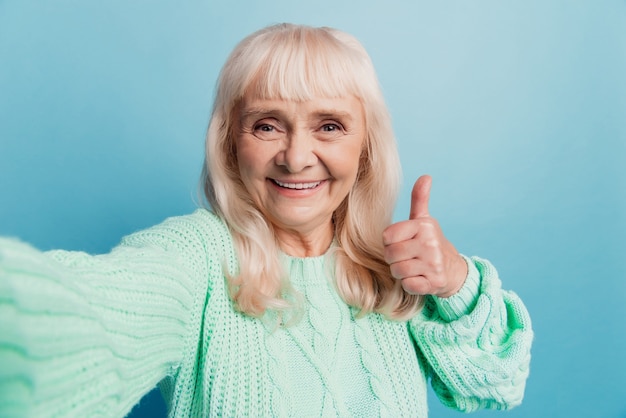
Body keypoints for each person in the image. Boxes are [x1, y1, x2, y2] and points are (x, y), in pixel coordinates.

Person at [0, 23, 533, 417]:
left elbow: (496, 386)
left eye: (328, 126)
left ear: (366, 147)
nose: (297, 157)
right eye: (267, 125)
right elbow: (87, 317)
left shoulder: (392, 270)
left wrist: (456, 283)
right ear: (231, 142)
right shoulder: (199, 256)